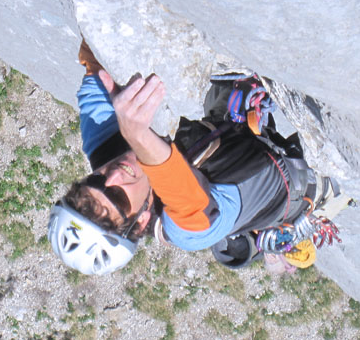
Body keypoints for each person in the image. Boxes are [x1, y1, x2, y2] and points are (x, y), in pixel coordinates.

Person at [48, 41, 343, 275]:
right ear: (140, 224)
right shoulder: (186, 232)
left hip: (238, 137)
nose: (111, 175)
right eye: (116, 197)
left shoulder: (103, 147)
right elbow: (189, 201)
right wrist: (137, 134)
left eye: (94, 180)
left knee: (223, 86)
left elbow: (94, 61)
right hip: (299, 180)